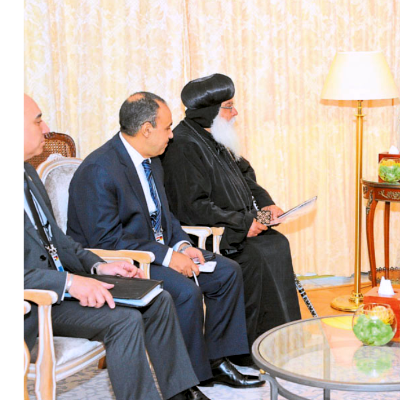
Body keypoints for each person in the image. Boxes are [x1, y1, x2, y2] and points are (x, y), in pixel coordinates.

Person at [66, 92, 263, 390]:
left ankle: (217, 360)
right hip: (123, 263)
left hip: (156, 252)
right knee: (184, 292)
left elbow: (165, 215)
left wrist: (183, 246)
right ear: (147, 129)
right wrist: (169, 258)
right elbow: (106, 241)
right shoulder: (99, 170)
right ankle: (191, 380)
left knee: (227, 272)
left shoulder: (152, 160)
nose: (172, 135)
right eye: (168, 127)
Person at [22, 93, 207, 400]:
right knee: (125, 320)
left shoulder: (28, 173)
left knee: (157, 299)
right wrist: (71, 282)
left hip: (60, 289)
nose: (46, 129)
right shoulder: (99, 167)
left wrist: (97, 266)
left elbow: (58, 241)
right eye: (38, 120)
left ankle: (181, 393)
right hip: (33, 304)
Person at [159, 74, 302, 356]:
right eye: (228, 106)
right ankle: (248, 351)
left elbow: (245, 174)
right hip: (208, 237)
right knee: (256, 256)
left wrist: (266, 204)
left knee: (277, 243)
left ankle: (280, 343)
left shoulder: (215, 135)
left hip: (237, 226)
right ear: (209, 110)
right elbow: (192, 207)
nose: (235, 112)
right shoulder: (184, 145)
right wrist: (243, 223)